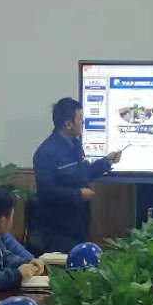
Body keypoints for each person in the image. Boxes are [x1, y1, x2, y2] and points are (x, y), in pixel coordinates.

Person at [30, 97, 122, 253]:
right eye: (80, 119)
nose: (83, 123)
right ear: (68, 124)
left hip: (78, 225)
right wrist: (78, 194)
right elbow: (46, 192)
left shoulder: (74, 145)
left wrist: (106, 162)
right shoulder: (46, 152)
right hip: (56, 230)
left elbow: (82, 174)